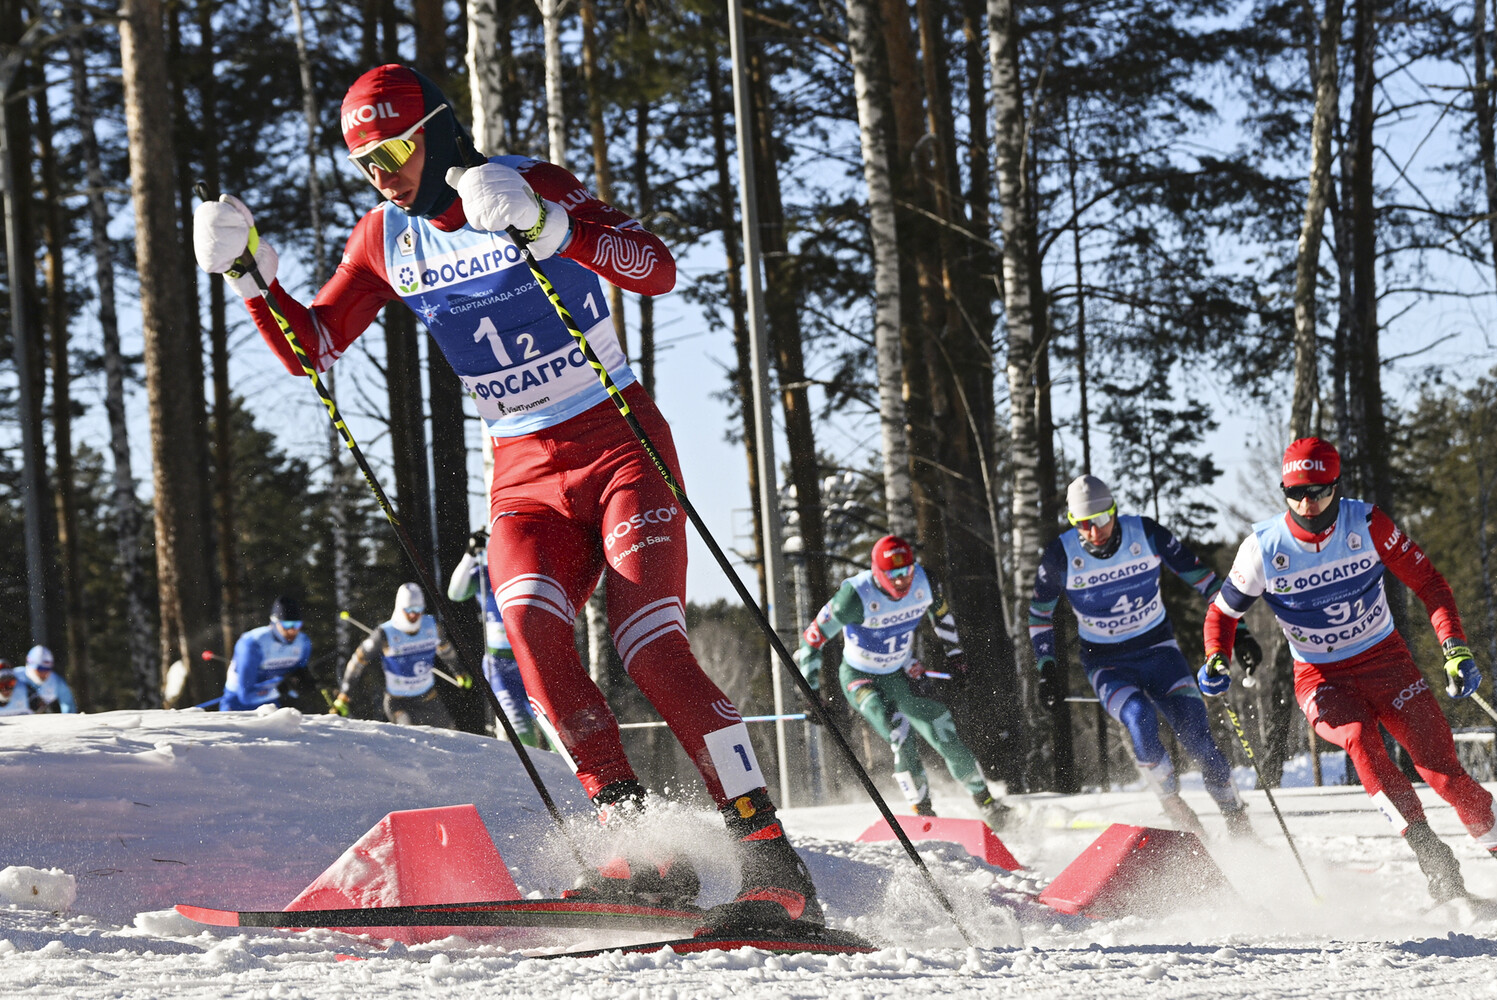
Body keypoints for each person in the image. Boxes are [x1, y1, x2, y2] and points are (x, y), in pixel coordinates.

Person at [193, 64, 821, 931]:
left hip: (619, 444)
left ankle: (769, 857)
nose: (384, 173)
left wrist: (550, 224)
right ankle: (646, 850)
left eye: (398, 148)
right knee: (530, 642)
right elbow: (315, 350)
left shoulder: (530, 183)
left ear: (441, 130)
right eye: (366, 160)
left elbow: (658, 269)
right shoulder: (383, 238)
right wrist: (249, 279)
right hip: (522, 471)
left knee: (650, 648)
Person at [1203, 437, 1497, 901]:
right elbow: (1222, 614)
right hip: (1321, 678)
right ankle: (1434, 861)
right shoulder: (1263, 547)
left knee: (1444, 774)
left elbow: (1430, 583)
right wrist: (1216, 656)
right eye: (1295, 492)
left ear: (1337, 487)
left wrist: (1455, 648)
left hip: (1388, 663)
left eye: (1319, 491)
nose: (1307, 502)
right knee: (1359, 738)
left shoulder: (1367, 523)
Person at [1030, 475, 1260, 837]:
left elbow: (1207, 582)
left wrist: (1241, 633)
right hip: (1106, 663)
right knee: (1138, 718)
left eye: (1103, 519)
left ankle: (1238, 820)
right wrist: (1047, 668)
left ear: (1115, 511)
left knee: (1198, 738)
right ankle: (1174, 808)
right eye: (1083, 524)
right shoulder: (1061, 555)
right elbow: (1039, 615)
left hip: (1159, 652)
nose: (1094, 532)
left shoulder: (1145, 534)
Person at [794, 535, 1010, 829]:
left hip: (900, 671)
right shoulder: (855, 596)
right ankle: (924, 819)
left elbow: (942, 616)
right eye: (893, 574)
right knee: (900, 732)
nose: (901, 581)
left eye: (906, 571)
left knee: (943, 731)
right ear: (877, 572)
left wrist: (956, 656)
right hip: (861, 676)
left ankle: (989, 804)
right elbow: (811, 641)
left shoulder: (924, 582)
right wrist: (810, 692)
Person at [447, 529, 547, 748]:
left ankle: (571, 775)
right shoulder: (484, 575)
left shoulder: (527, 568)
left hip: (531, 661)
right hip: (499, 665)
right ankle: (536, 774)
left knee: (552, 727)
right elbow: (455, 593)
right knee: (520, 729)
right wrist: (469, 555)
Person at [332, 583, 468, 728]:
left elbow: (445, 650)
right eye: (409, 610)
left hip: (428, 698)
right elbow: (358, 661)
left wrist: (459, 672)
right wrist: (344, 695)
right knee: (415, 740)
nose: (414, 615)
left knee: (452, 739)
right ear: (400, 608)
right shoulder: (385, 633)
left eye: (418, 610)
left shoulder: (432, 626)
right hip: (399, 702)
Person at [221, 597, 314, 711]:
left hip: (270, 703)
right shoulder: (252, 644)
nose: (292, 630)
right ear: (274, 622)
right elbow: (245, 696)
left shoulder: (303, 642)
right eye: (287, 624)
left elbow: (296, 681)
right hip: (237, 704)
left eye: (297, 624)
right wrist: (280, 689)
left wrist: (300, 687)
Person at [23, 646, 76, 713]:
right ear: (30, 666)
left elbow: (68, 706)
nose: (44, 673)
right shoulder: (15, 677)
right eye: (40, 669)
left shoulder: (56, 682)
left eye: (47, 669)